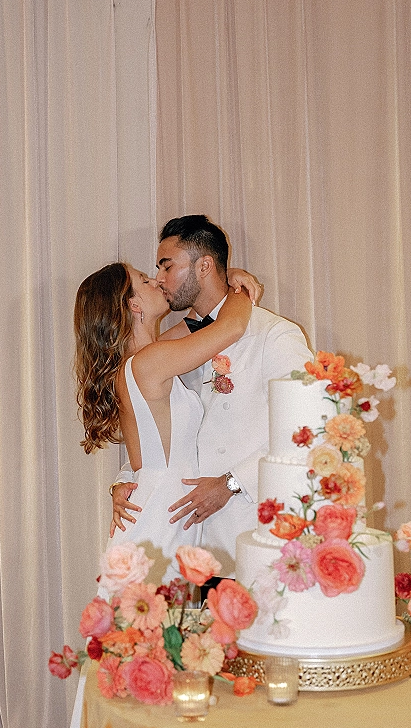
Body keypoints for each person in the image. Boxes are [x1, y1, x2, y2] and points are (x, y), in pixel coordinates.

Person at [111, 215, 313, 579]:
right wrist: (127, 477)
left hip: (255, 533)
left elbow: (308, 429)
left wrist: (232, 483)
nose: (159, 279)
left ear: (204, 265)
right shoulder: (173, 346)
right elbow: (159, 430)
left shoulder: (275, 335)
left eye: (167, 266)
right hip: (190, 541)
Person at [73, 260, 253, 584]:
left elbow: (200, 322)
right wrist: (240, 292)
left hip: (168, 509)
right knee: (152, 625)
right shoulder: (149, 362)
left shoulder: (146, 358)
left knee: (165, 627)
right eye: (145, 280)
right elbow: (231, 328)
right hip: (161, 517)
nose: (157, 281)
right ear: (134, 304)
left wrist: (225, 280)